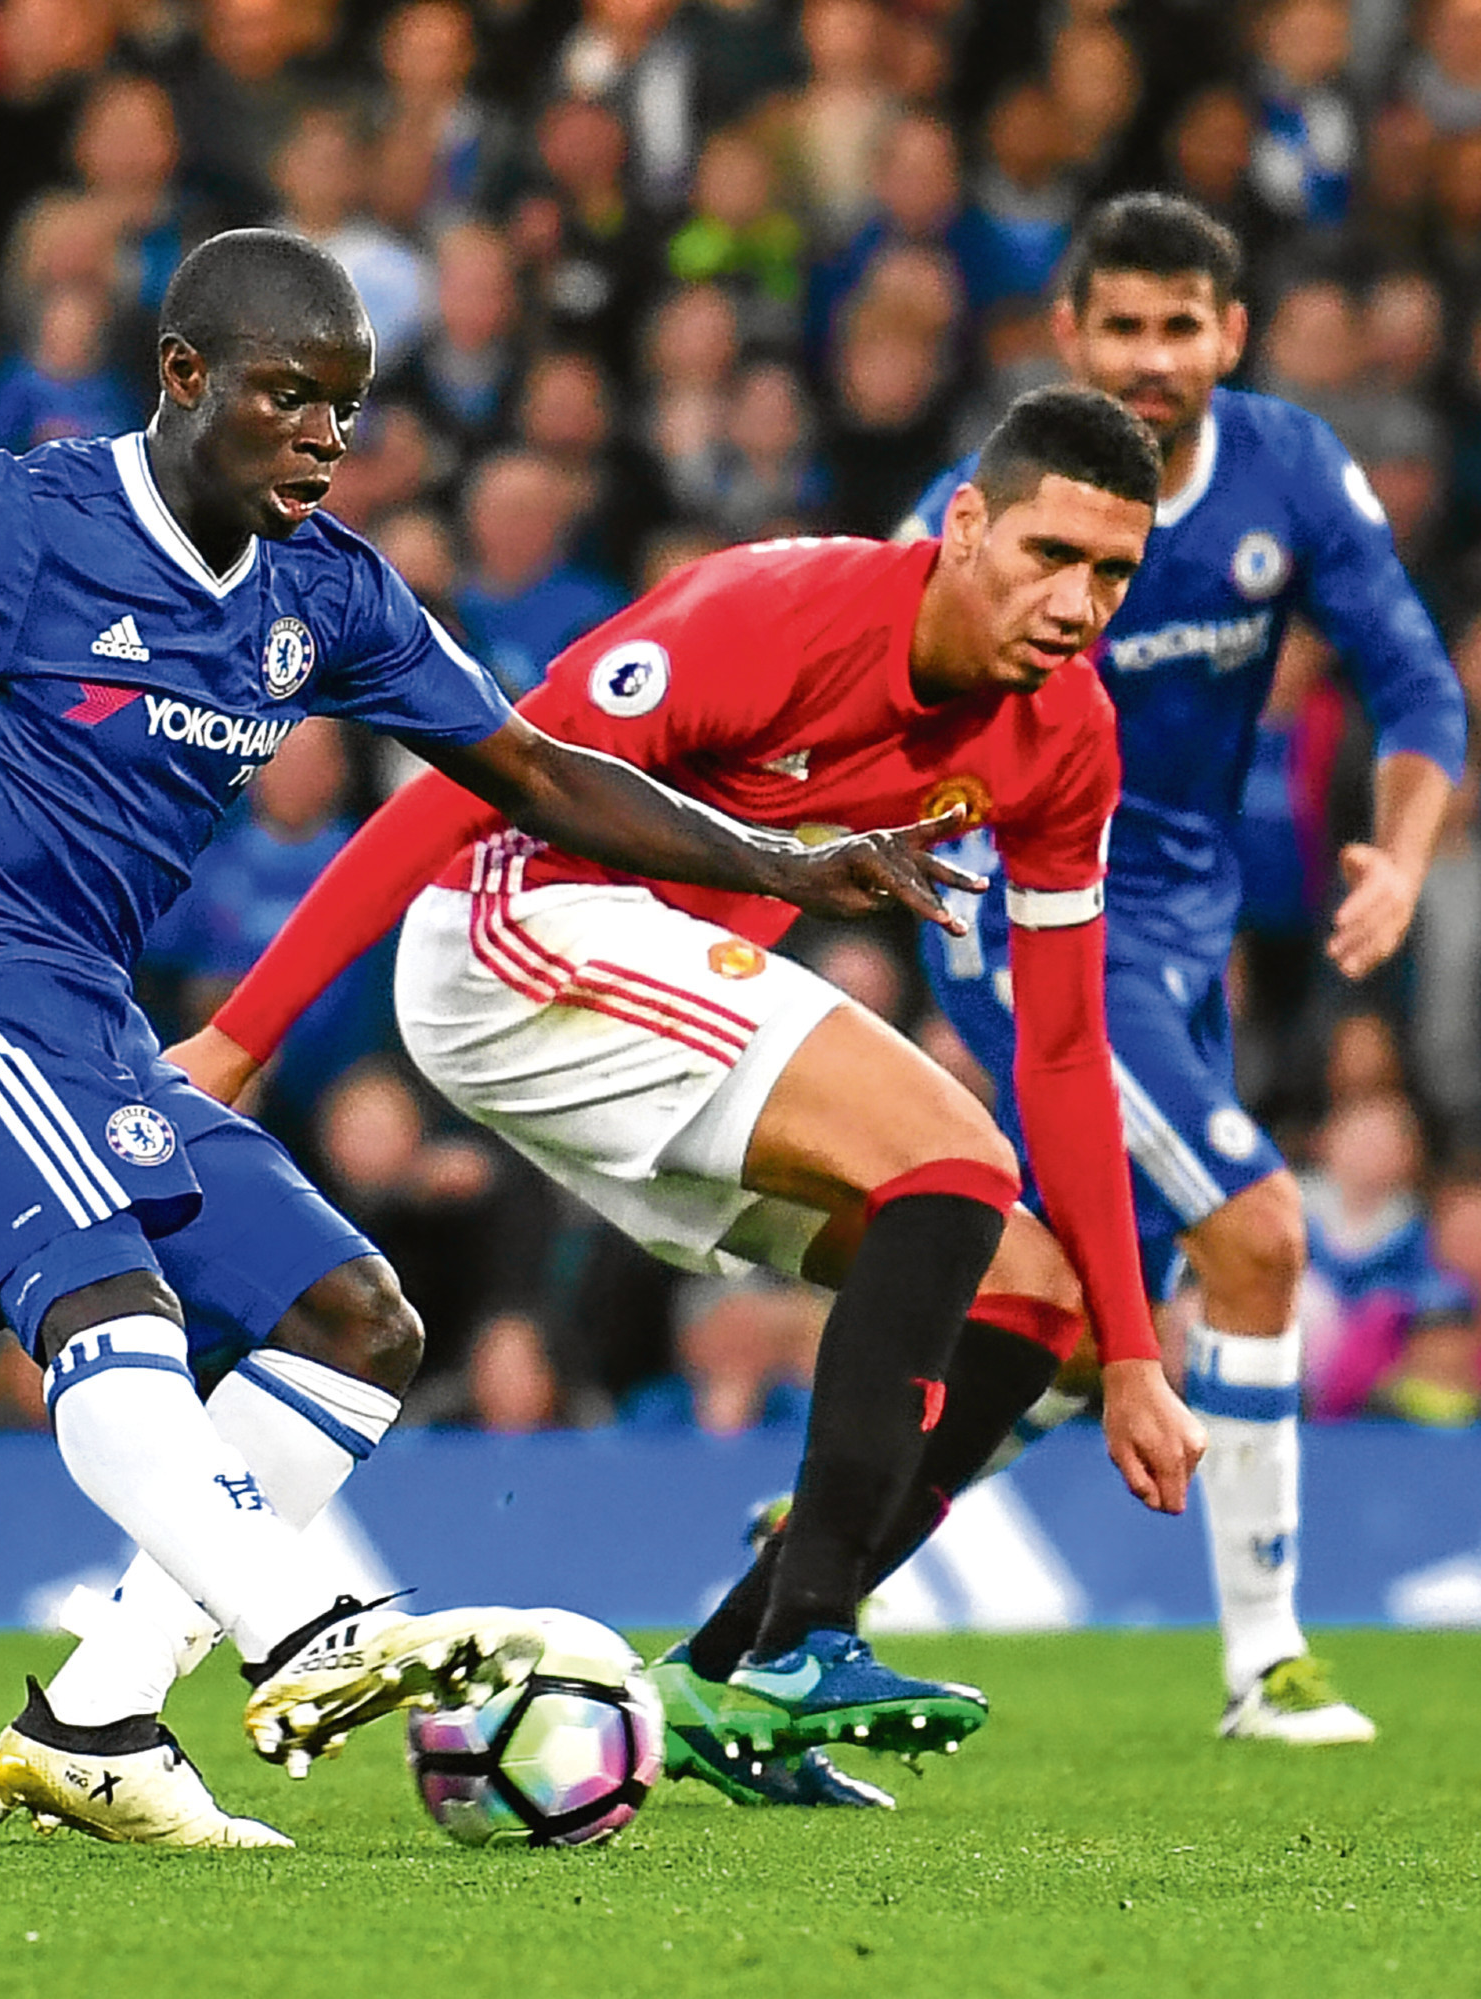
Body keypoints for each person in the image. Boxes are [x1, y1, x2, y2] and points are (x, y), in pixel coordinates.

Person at [0, 230, 972, 1849]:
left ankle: (96, 1721)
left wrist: (786, 864)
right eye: (290, 399)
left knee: (357, 1323)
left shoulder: (325, 586)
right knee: (110, 1299)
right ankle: (304, 1629)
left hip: (88, 1019)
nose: (324, 443)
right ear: (184, 378)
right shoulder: (23, 520)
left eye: (344, 411)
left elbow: (539, 774)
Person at [174, 383, 1206, 1809]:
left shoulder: (1068, 737)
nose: (1079, 601)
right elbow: (474, 780)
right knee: (952, 1162)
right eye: (1051, 556)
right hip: (514, 930)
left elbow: (1069, 1049)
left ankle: (728, 1681)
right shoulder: (777, 612)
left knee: (1032, 1292)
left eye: (1113, 574)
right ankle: (810, 1640)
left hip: (651, 1001)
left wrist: (1137, 1352)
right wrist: (244, 1032)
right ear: (966, 526)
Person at [898, 194, 1468, 1745]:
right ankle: (1267, 1661)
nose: (1152, 360)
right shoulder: (979, 509)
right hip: (1028, 921)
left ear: (1232, 333)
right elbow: (877, 686)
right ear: (1068, 338)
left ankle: (848, 1520)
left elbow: (1418, 681)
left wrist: (1403, 857)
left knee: (1088, 1318)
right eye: (1123, 329)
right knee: (1263, 1238)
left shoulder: (1290, 473)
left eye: (1181, 327)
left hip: (1181, 926)